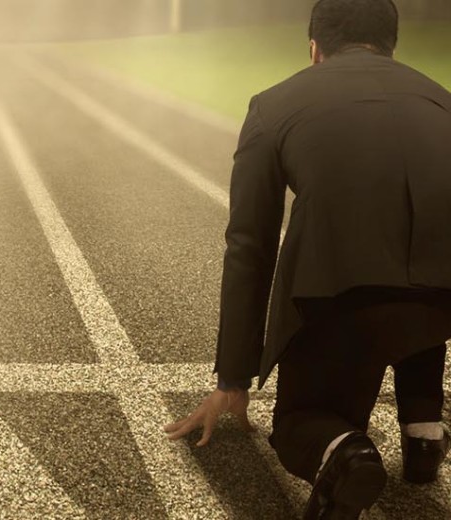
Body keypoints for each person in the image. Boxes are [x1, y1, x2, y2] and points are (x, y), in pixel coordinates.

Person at [163, 0, 451, 518]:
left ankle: (347, 453)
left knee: (298, 424)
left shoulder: (273, 104)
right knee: (419, 273)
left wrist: (233, 378)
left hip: (342, 297)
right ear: (393, 47)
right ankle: (424, 430)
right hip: (442, 298)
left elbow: (249, 245)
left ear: (314, 48)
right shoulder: (442, 100)